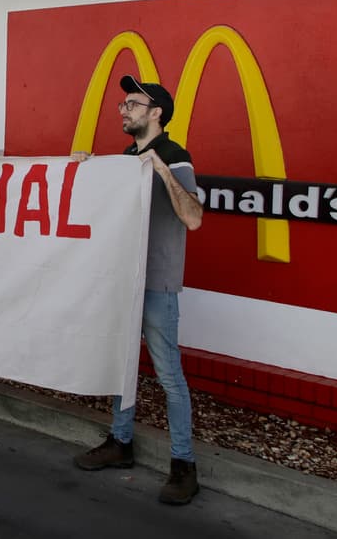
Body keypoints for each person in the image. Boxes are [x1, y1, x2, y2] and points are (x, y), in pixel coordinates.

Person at [70, 75, 204, 505]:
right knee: (124, 364)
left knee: (169, 376)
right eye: (124, 104)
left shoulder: (175, 156)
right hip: (123, 280)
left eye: (132, 104)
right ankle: (120, 443)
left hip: (158, 284)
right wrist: (89, 169)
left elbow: (194, 218)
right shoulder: (127, 156)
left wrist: (158, 167)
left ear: (156, 112)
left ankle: (184, 466)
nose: (123, 110)